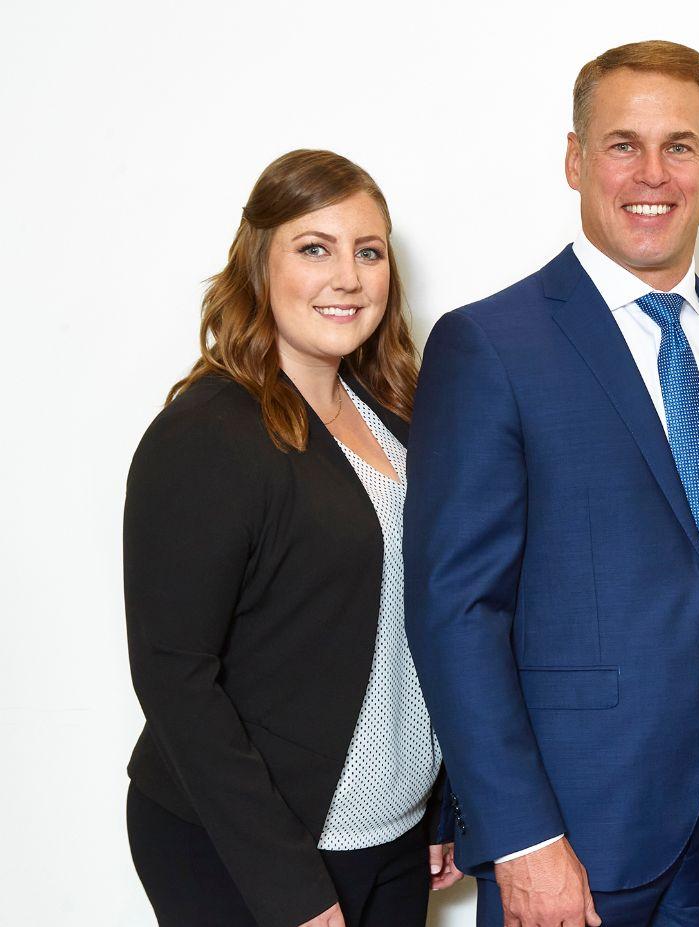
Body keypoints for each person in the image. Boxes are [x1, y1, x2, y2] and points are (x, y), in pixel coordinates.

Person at [404, 40, 699, 927]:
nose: (652, 174)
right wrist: (521, 838)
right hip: (570, 840)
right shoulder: (490, 346)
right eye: (624, 144)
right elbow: (455, 611)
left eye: (679, 146)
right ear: (575, 159)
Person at [123, 149, 463, 927]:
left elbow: (428, 621)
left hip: (393, 840)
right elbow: (175, 676)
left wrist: (441, 804)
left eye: (368, 252)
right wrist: (292, 893)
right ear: (259, 264)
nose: (348, 277)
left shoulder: (400, 415)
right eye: (315, 248)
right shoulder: (205, 435)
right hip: (252, 852)